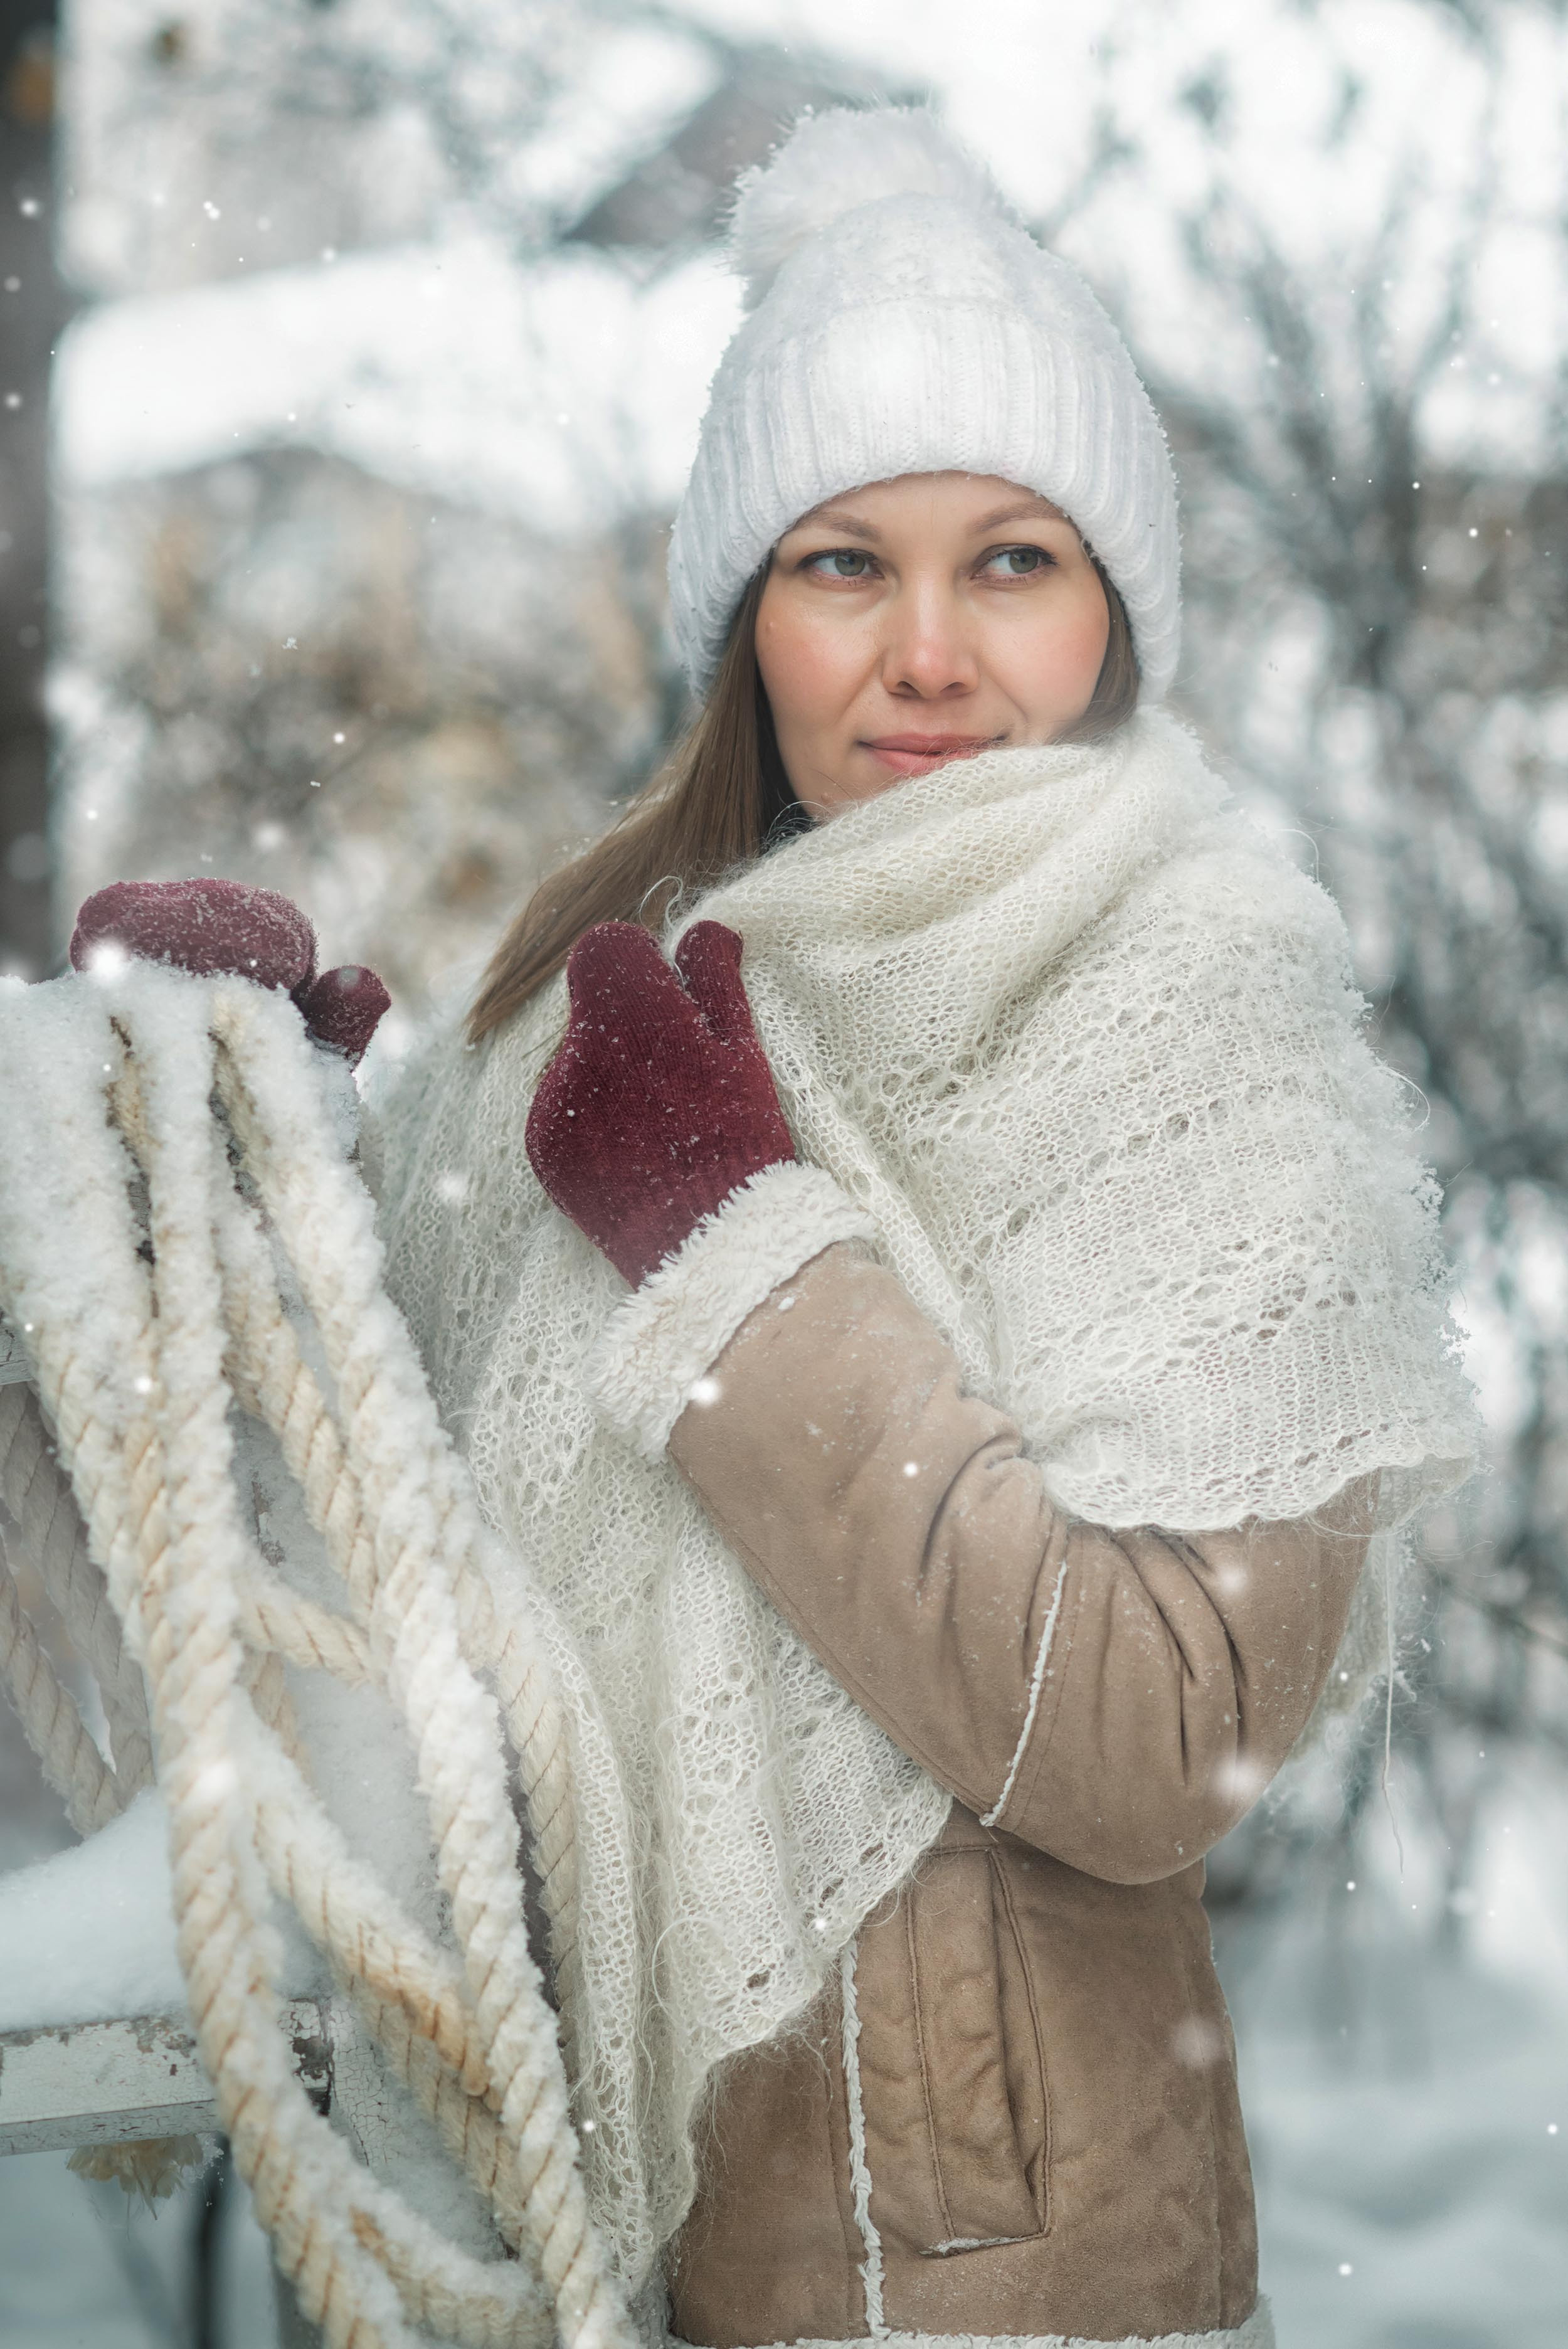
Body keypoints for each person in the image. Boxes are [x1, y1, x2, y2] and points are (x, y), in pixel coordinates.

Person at [73, 107, 1476, 2349]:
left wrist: (735, 1254)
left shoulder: (1206, 1023)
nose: (925, 650)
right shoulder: (610, 998)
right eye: (842, 564)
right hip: (600, 2245)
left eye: (1008, 559)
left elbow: (1160, 1724)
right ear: (749, 622)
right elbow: (392, 1578)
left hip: (1002, 2293)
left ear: (1114, 608)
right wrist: (246, 1172)